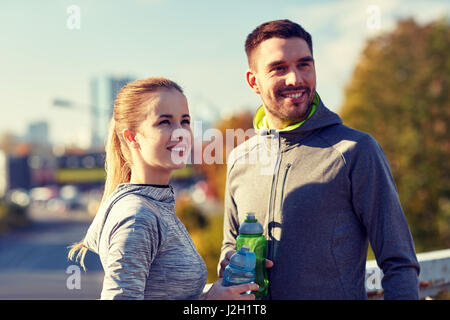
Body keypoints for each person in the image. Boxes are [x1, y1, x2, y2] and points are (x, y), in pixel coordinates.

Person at [218, 19, 420, 299]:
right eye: (279, 68)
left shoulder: (356, 150)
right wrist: (230, 263)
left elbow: (400, 262)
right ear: (254, 81)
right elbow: (228, 249)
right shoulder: (240, 159)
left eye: (304, 64)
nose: (295, 79)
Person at [68, 77, 258, 300]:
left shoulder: (156, 206)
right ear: (132, 137)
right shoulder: (137, 216)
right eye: (165, 122)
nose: (180, 133)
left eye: (185, 121)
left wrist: (215, 292)